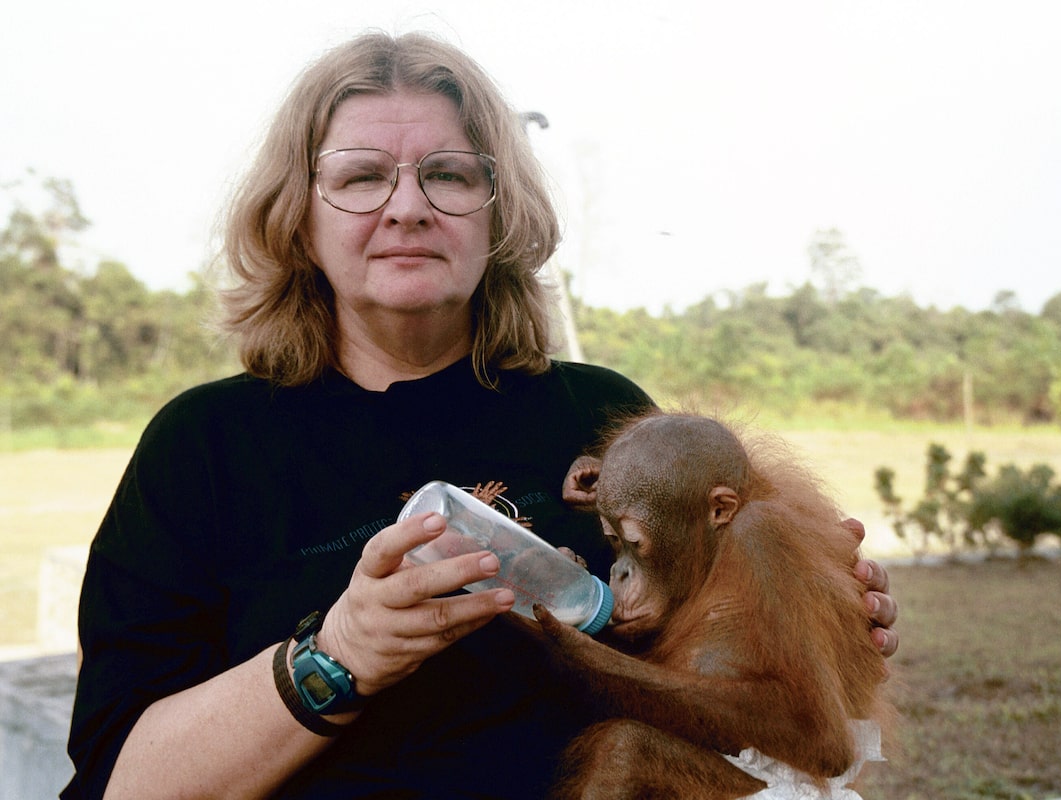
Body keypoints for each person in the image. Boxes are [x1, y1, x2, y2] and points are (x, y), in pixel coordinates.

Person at [63, 30, 899, 799]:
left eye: (450, 174)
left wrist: (805, 607)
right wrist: (341, 653)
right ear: (298, 215)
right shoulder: (204, 448)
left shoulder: (607, 416)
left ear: (497, 211)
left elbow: (735, 683)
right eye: (361, 176)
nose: (408, 207)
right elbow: (122, 780)